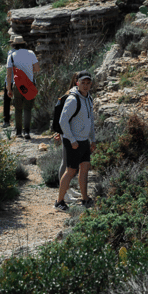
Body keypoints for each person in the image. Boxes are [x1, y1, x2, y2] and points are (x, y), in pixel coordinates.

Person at [54, 70, 96, 212]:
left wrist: (93, 139)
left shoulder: (89, 98)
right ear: (77, 83)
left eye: (88, 83)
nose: (85, 85)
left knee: (84, 168)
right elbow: (63, 121)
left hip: (84, 140)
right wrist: (72, 140)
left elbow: (91, 121)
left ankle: (85, 199)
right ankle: (59, 202)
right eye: (82, 83)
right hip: (73, 141)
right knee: (71, 170)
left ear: (91, 84)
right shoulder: (73, 99)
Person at [6, 35, 40, 140]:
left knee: (18, 109)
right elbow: (37, 69)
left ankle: (19, 132)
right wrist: (28, 71)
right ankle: (27, 132)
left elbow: (8, 74)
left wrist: (9, 88)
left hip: (17, 86)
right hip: (29, 84)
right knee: (28, 109)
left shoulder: (11, 56)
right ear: (24, 43)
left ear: (14, 44)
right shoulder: (31, 53)